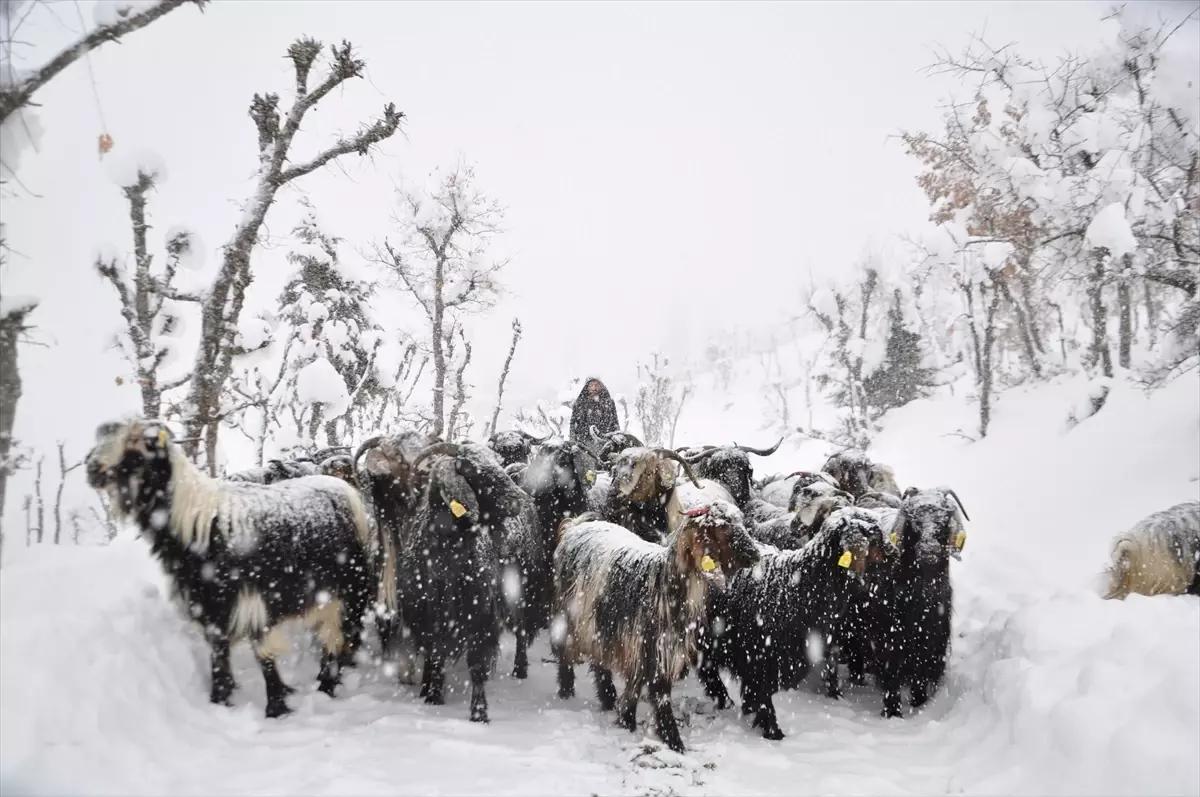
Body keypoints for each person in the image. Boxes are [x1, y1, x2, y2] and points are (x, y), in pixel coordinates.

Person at [569, 376, 620, 445]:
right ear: (587, 387)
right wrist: (572, 442)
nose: (594, 388)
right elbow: (573, 424)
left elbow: (615, 423)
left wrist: (617, 437)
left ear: (601, 386)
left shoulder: (609, 403)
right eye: (591, 385)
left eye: (596, 385)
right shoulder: (579, 404)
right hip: (583, 443)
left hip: (606, 442)